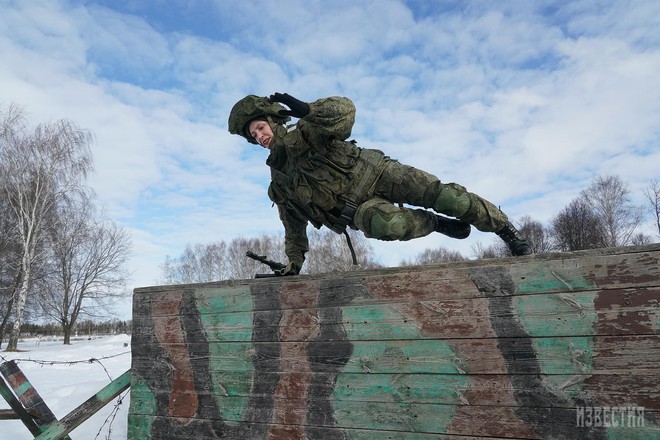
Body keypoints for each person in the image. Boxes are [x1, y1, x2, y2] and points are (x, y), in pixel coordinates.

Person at [228, 93, 532, 275]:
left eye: (260, 127)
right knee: (387, 225)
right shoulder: (280, 183)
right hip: (358, 209)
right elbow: (292, 226)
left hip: (378, 173)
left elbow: (346, 112)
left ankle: (504, 229)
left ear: (273, 120)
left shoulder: (307, 132)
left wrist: (309, 110)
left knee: (449, 198)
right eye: (253, 135)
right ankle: (434, 223)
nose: (259, 136)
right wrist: (293, 264)